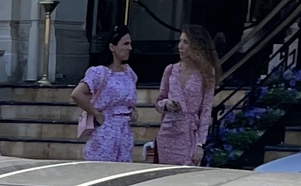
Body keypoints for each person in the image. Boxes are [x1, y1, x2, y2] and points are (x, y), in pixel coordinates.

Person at [73, 25, 140, 163]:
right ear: (112, 47)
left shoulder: (129, 73)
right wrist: (96, 113)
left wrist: (133, 110)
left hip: (125, 131)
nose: (129, 48)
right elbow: (77, 94)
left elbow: (128, 100)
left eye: (130, 44)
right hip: (105, 130)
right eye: (125, 44)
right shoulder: (99, 73)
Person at [154, 26, 218, 164]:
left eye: (186, 42)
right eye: (180, 41)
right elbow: (158, 102)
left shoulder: (206, 72)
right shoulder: (170, 70)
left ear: (197, 46)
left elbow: (206, 110)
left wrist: (200, 144)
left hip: (190, 135)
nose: (180, 46)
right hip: (168, 132)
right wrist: (166, 104)